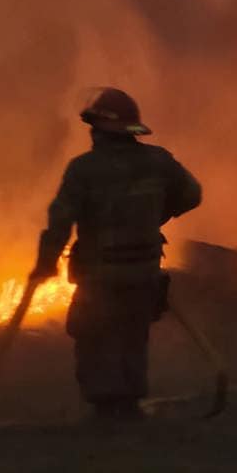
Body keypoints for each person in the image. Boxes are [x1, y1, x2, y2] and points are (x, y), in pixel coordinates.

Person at [30, 87, 202, 420]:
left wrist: (45, 264)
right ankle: (130, 405)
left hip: (100, 275)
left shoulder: (84, 169)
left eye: (93, 126)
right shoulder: (158, 161)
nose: (92, 133)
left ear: (100, 129)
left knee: (93, 336)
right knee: (133, 336)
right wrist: (158, 214)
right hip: (144, 271)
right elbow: (192, 195)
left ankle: (105, 408)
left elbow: (60, 219)